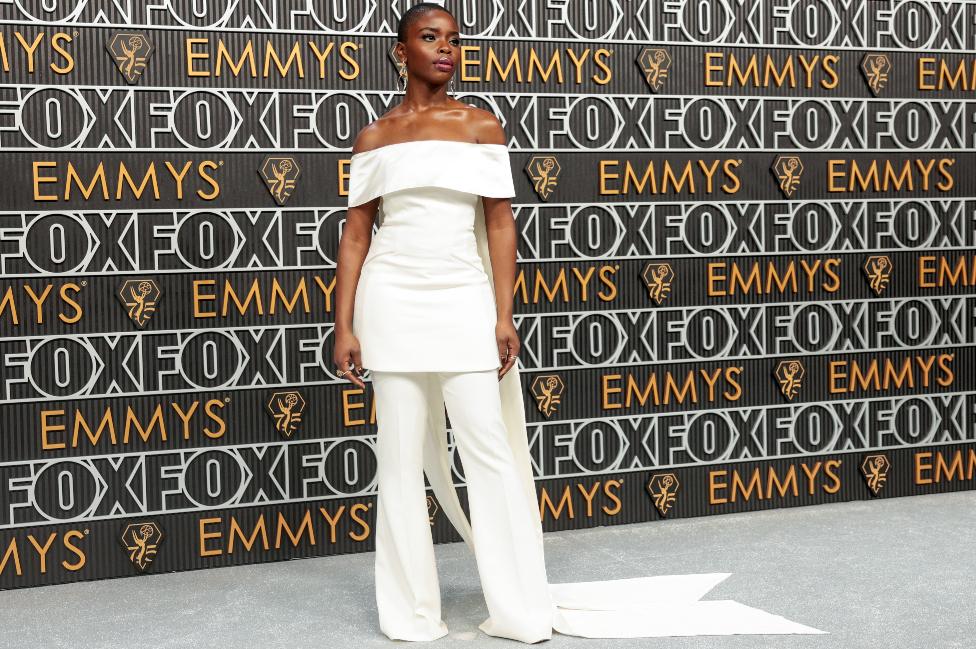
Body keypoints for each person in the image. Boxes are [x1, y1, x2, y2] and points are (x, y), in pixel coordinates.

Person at [332, 3, 826, 644]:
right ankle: (410, 614)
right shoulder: (375, 137)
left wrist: (503, 313)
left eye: (454, 39)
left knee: (488, 451)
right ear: (401, 51)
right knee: (398, 461)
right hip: (391, 299)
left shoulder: (482, 127)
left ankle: (515, 607)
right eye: (430, 38)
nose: (445, 49)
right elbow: (356, 236)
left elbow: (500, 224)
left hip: (461, 296)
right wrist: (343, 325)